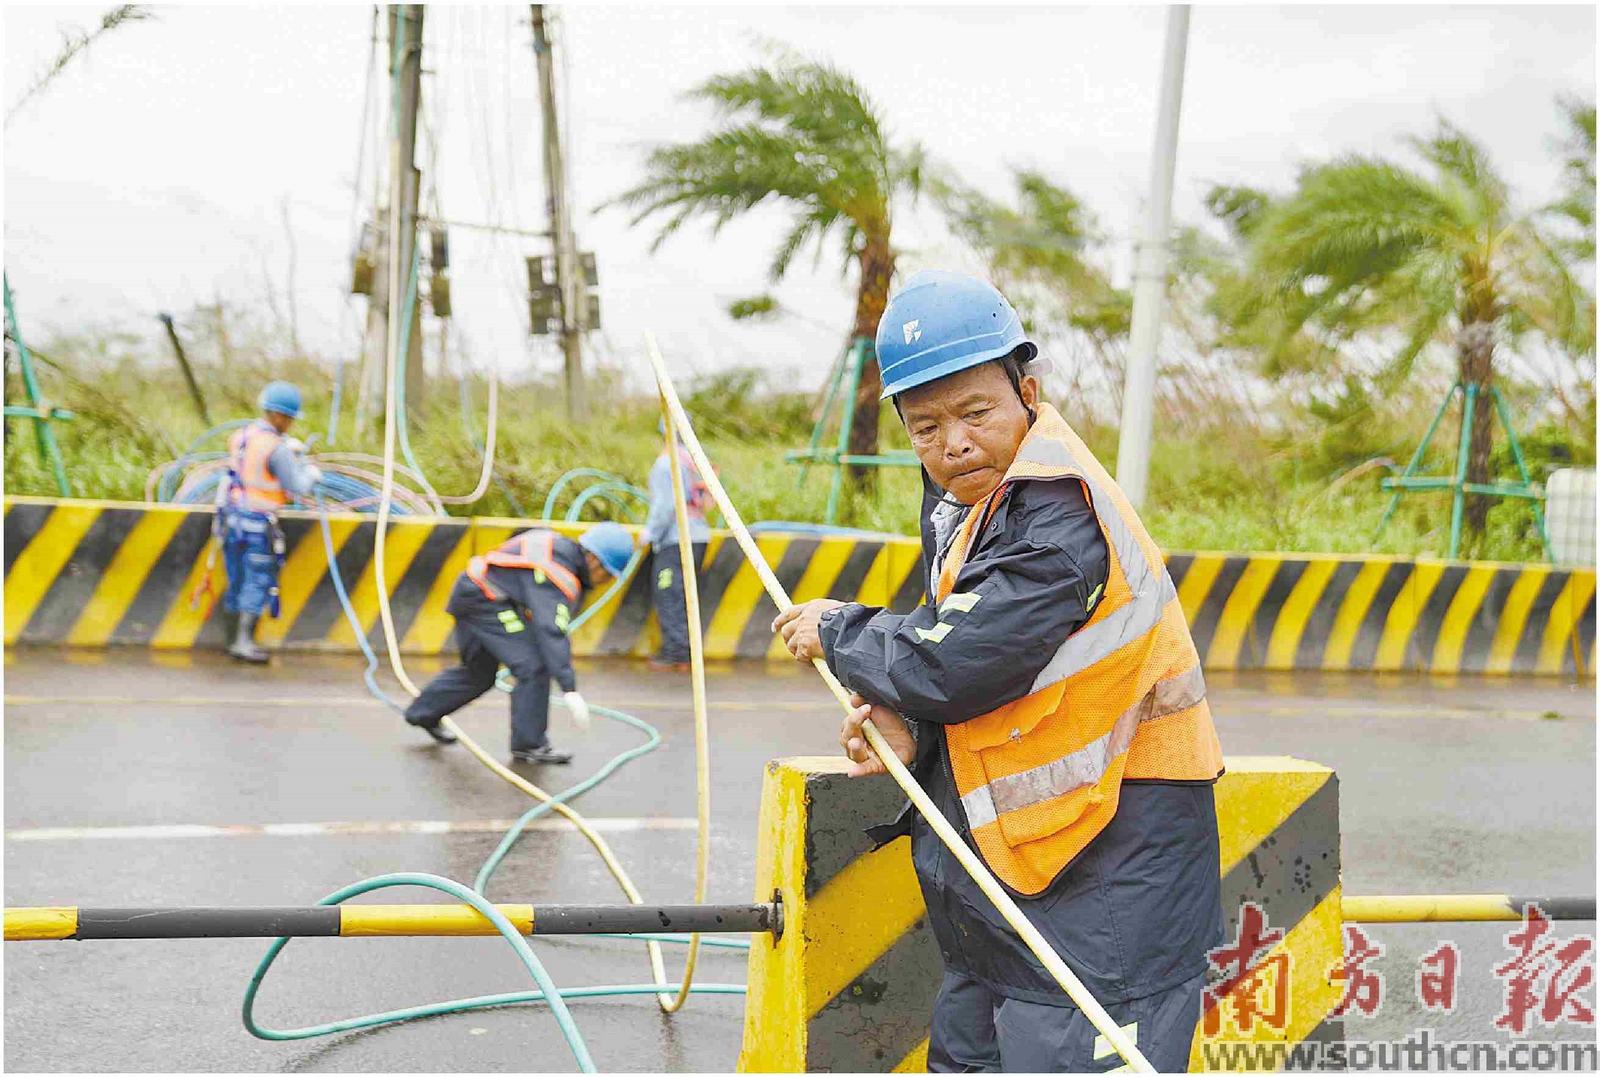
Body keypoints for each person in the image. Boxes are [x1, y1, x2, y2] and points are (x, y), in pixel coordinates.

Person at [773, 270, 1225, 1073]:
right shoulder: (972, 507)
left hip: (1108, 887)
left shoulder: (1056, 513)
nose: (953, 442)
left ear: (1028, 391)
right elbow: (1007, 675)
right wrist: (911, 728)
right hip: (1009, 894)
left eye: (976, 412)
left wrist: (841, 629)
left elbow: (957, 660)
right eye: (925, 426)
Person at [402, 521, 635, 764]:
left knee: (479, 673)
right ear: (595, 561)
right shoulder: (558, 574)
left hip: (474, 590)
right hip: (485, 600)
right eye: (608, 575)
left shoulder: (561, 549)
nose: (605, 582)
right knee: (533, 666)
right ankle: (530, 745)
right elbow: (551, 629)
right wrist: (569, 688)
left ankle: (423, 714)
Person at [217, 380, 323, 663]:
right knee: (256, 581)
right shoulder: (276, 449)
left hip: (231, 523)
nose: (290, 424)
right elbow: (298, 486)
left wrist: (290, 452)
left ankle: (232, 641)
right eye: (288, 418)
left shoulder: (241, 436)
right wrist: (311, 473)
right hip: (257, 527)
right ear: (278, 415)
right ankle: (243, 643)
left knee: (236, 580)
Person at [641, 418, 711, 671]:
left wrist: (650, 533)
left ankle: (676, 651)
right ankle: (685, 650)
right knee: (685, 595)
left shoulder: (666, 463)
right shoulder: (692, 460)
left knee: (669, 592)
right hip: (698, 535)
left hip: (676, 539)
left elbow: (665, 506)